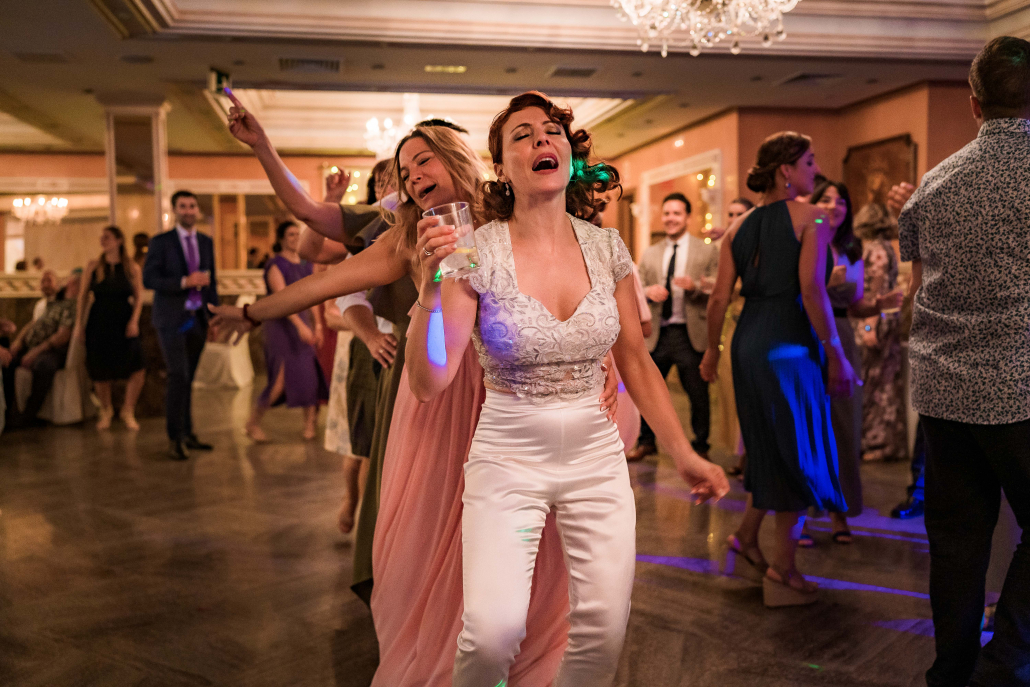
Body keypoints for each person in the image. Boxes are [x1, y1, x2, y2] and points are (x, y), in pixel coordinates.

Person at [210, 97, 601, 685]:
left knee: (521, 534)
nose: (413, 176)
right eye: (406, 169)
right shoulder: (407, 237)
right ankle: (448, 653)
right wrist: (249, 312)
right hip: (439, 395)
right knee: (442, 526)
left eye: (424, 161)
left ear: (456, 159)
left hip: (510, 392)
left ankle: (519, 650)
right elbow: (325, 282)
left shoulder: (510, 214)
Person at [406, 91, 727, 686]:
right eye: (522, 134)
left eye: (551, 130)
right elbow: (431, 381)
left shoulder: (607, 249)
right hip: (507, 455)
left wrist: (683, 453)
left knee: (604, 629)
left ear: (568, 154)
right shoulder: (475, 250)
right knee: (492, 632)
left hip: (596, 457)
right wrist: (429, 293)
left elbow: (636, 361)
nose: (541, 139)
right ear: (502, 167)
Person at [898, 36, 1030, 687]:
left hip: (943, 390)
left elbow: (916, 283)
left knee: (956, 541)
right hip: (1020, 389)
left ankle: (951, 673)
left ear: (974, 103)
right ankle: (1001, 666)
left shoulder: (933, 182)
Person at [700, 131, 856, 607]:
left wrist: (711, 354)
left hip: (747, 343)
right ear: (786, 170)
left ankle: (746, 537)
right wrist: (836, 352)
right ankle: (783, 572)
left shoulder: (737, 228)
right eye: (810, 162)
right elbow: (812, 291)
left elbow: (719, 299)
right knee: (799, 451)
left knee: (769, 447)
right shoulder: (813, 219)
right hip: (790, 345)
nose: (816, 170)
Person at [798, 181, 902, 546]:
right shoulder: (802, 242)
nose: (833, 206)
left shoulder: (851, 249)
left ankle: (838, 511)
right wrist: (824, 282)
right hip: (807, 334)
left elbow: (855, 306)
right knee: (808, 427)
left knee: (844, 428)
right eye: (826, 199)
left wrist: (879, 305)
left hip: (843, 336)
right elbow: (798, 293)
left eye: (840, 201)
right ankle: (801, 516)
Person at [627, 191, 719, 462]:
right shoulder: (651, 252)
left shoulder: (706, 250)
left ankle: (701, 446)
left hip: (690, 333)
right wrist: (648, 291)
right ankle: (646, 442)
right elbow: (636, 287)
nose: (671, 218)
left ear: (687, 217)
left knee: (698, 394)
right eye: (667, 213)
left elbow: (719, 286)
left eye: (676, 213)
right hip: (658, 332)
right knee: (647, 390)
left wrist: (696, 286)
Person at [143, 190, 218, 461]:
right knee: (178, 375)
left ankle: (188, 433)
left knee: (188, 379)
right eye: (183, 206)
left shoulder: (206, 242)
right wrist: (184, 282)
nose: (188, 211)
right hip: (172, 319)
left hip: (197, 319)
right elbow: (149, 279)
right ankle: (174, 438)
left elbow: (212, 282)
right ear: (175, 210)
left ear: (197, 210)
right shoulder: (161, 242)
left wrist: (215, 317)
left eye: (192, 206)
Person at [245, 221, 328, 442]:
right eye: (290, 234)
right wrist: (300, 326)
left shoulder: (306, 264)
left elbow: (312, 297)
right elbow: (283, 300)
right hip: (281, 327)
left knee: (309, 375)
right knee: (279, 382)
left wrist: (318, 325)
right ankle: (252, 423)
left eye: (297, 234)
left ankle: (309, 424)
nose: (295, 238)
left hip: (304, 323)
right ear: (281, 238)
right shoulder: (275, 264)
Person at [74, 225, 146, 431]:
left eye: (107, 237)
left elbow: (139, 298)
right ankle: (106, 410)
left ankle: (128, 410)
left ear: (118, 241)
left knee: (137, 366)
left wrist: (134, 321)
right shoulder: (93, 266)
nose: (102, 240)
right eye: (102, 237)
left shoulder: (132, 267)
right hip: (99, 320)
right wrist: (79, 325)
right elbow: (82, 297)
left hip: (124, 320)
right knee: (100, 368)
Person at [853, 201, 907, 462]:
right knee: (883, 382)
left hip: (876, 321)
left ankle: (880, 443)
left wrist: (868, 327)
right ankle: (881, 443)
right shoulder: (885, 248)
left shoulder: (876, 251)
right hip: (884, 320)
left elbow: (876, 293)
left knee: (876, 384)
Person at [1, 272, 79, 428]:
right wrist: (19, 342)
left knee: (42, 365)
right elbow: (33, 324)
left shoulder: (70, 306)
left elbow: (63, 335)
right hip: (32, 346)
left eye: (49, 280)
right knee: (7, 360)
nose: (67, 285)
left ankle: (29, 415)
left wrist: (35, 352)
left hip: (52, 350)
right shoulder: (50, 304)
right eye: (43, 281)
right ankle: (8, 413)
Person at [715, 198, 753, 478]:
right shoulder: (724, 246)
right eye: (730, 214)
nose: (734, 218)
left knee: (752, 393)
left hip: (753, 324)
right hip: (731, 325)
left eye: (740, 213)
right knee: (731, 392)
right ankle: (742, 454)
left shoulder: (759, 246)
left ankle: (753, 456)